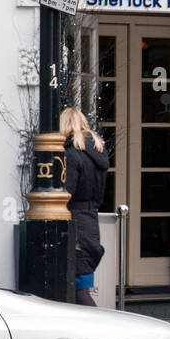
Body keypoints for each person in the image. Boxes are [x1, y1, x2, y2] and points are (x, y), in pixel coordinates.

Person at [61, 108, 110, 306]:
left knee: (79, 292)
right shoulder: (97, 153)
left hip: (75, 224)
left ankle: (102, 330)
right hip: (90, 222)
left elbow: (67, 192)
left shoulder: (72, 155)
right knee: (82, 287)